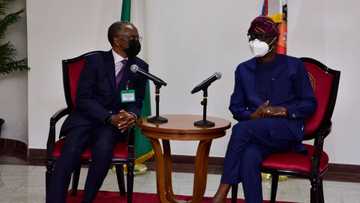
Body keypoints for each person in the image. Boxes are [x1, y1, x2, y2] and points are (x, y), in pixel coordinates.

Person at [212, 16, 317, 203]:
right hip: (256, 133)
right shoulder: (243, 70)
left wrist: (283, 110)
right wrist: (251, 115)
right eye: (251, 37)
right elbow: (236, 107)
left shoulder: (294, 66)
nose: (254, 42)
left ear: (274, 40)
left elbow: (309, 104)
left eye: (260, 37)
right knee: (248, 156)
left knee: (240, 129)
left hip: (287, 130)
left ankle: (221, 192)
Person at [47, 22, 148, 203]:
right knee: (69, 155)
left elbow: (136, 100)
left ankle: (88, 199)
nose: (136, 41)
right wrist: (108, 117)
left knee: (103, 151)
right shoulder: (95, 62)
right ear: (116, 40)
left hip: (113, 127)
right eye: (132, 38)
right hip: (85, 120)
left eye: (137, 38)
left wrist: (131, 115)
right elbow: (83, 98)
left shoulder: (139, 67)